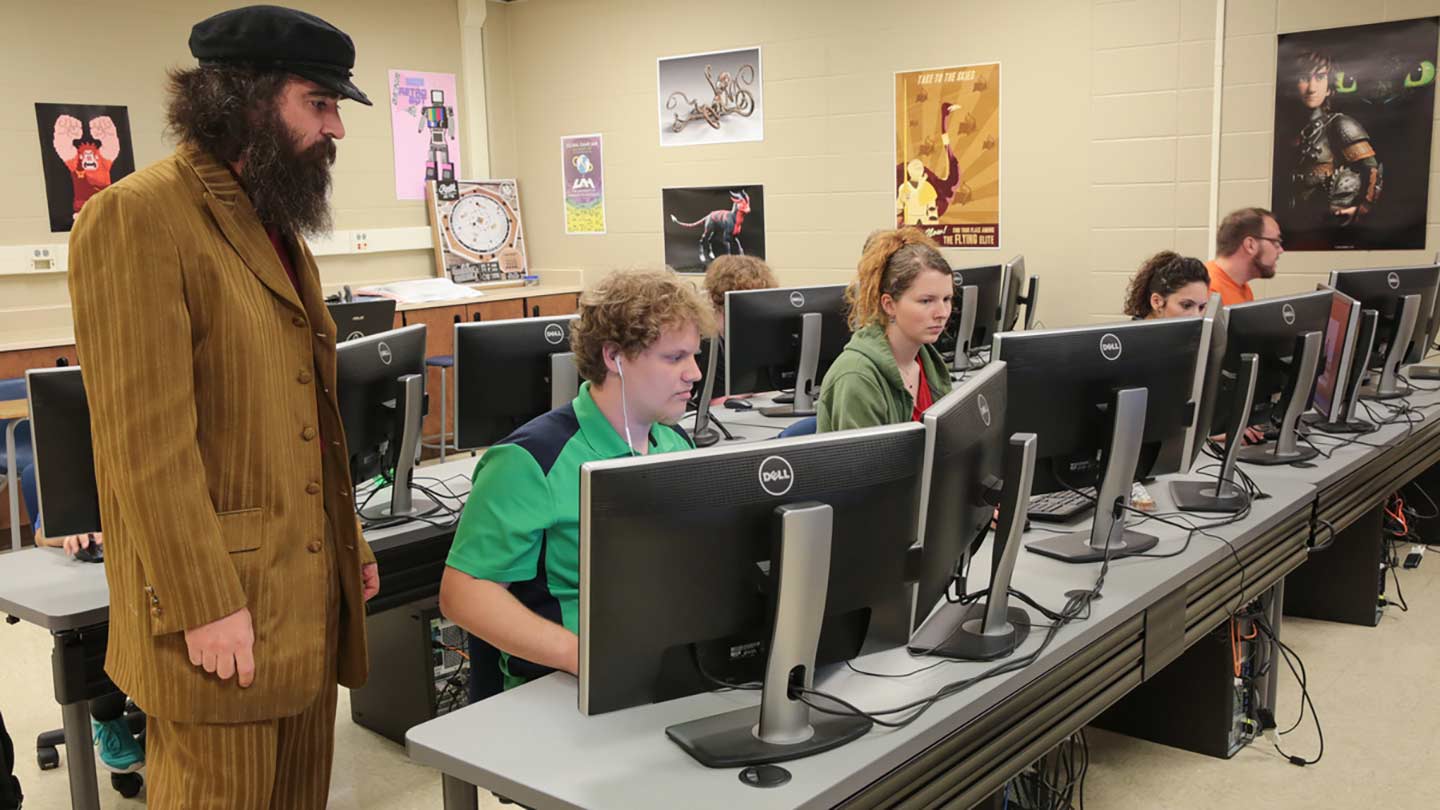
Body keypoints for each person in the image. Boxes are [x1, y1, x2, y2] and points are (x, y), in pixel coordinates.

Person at [66, 7, 379, 807]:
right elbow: (145, 445)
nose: (336, 126)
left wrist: (348, 546)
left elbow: (305, 417)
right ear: (247, 98)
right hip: (217, 614)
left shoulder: (272, 218)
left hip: (303, 601)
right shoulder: (136, 217)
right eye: (319, 102)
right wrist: (204, 606)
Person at [439, 269, 716, 690]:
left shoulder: (674, 443)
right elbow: (464, 594)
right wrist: (581, 657)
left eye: (694, 355)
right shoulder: (530, 460)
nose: (694, 373)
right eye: (674, 357)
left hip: (660, 662)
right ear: (613, 357)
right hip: (566, 681)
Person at [817, 228, 953, 432]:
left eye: (947, 299)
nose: (942, 312)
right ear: (889, 304)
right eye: (926, 301)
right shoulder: (857, 377)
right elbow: (865, 463)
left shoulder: (927, 361)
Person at [1283, 48, 1382, 248]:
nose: (1311, 87)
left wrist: (1362, 208)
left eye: (1320, 77)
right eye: (1304, 78)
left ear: (1330, 87)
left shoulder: (1341, 125)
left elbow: (1372, 168)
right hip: (1298, 232)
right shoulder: (1291, 132)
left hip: (1330, 229)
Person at [1208, 208, 1284, 307]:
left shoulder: (1243, 288)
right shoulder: (1208, 291)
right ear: (1250, 245)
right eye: (1275, 242)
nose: (1281, 250)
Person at [1123, 251, 1211, 320]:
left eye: (1201, 307)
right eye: (1187, 305)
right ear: (1157, 302)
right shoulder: (1129, 341)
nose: (1197, 316)